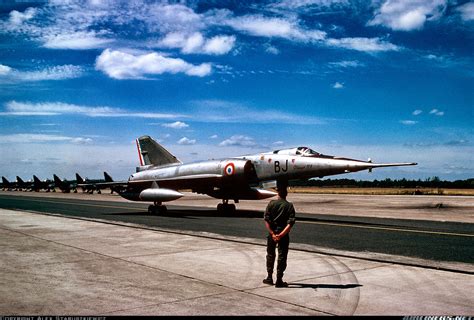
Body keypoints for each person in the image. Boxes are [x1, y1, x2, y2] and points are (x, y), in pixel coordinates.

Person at [263, 181, 296, 288]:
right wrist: (281, 235)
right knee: (282, 256)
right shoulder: (289, 206)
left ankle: (269, 277)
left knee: (270, 255)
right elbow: (290, 224)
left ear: (278, 193)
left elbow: (266, 220)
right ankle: (279, 280)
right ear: (286, 193)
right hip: (283, 235)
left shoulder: (271, 204)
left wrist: (273, 234)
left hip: (272, 234)